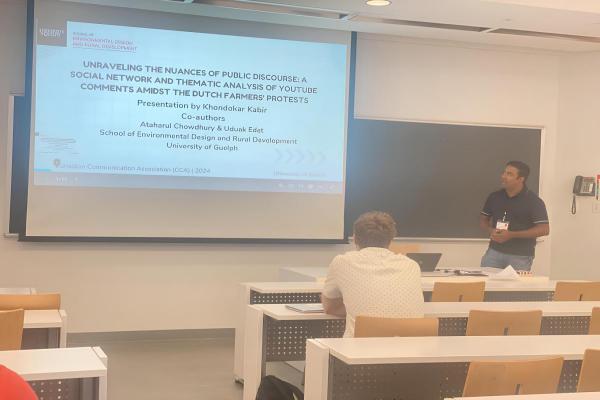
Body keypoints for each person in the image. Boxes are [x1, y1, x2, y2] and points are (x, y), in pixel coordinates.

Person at [321, 211, 425, 337]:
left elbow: (329, 307)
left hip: (360, 350)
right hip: (412, 350)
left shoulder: (342, 262)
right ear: (391, 239)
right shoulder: (411, 265)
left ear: (354, 238)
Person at [479, 161, 549, 271]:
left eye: (509, 174)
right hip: (494, 252)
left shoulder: (534, 201)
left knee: (514, 288)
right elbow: (483, 220)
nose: (503, 176)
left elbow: (544, 230)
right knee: (487, 285)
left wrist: (512, 234)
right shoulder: (494, 197)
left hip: (520, 256)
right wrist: (490, 230)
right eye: (504, 172)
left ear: (521, 179)